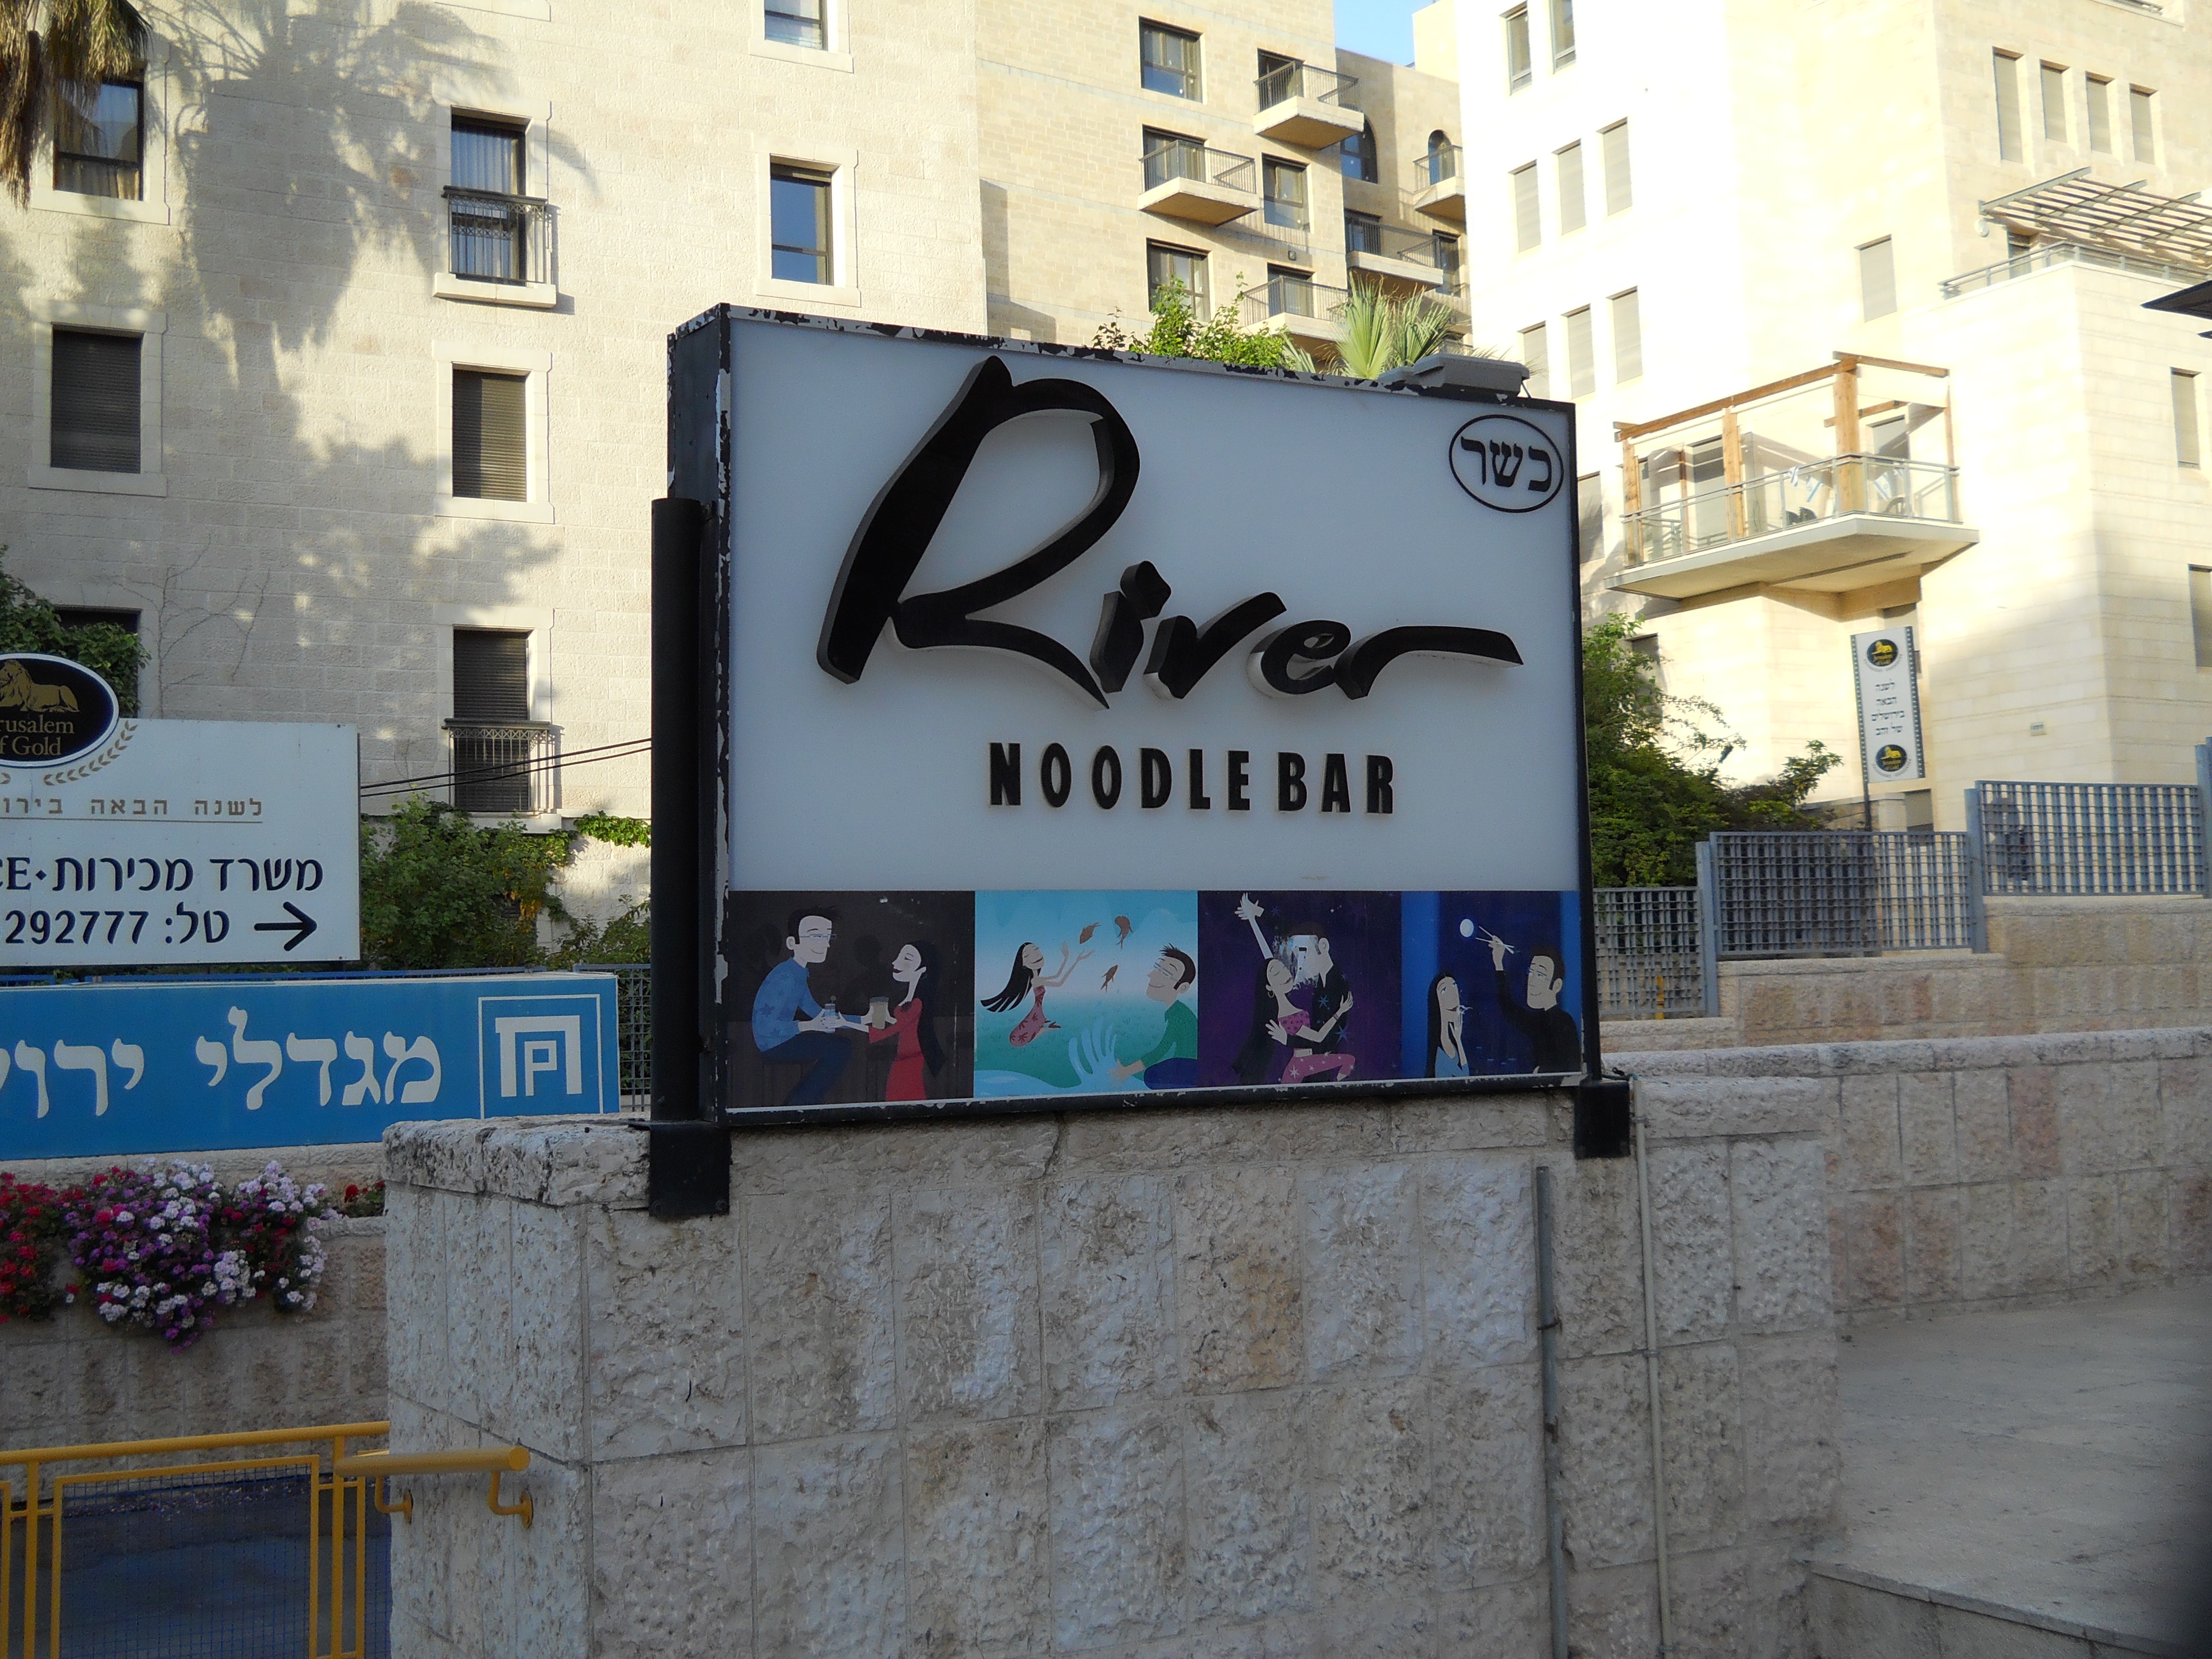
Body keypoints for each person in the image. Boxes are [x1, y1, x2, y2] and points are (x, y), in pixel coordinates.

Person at [751, 909, 864, 1105]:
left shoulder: (799, 973)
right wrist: (809, 1026)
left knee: (840, 1047)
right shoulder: (786, 976)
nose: (826, 944)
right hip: (772, 1043)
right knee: (839, 1049)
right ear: (792, 943)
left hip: (783, 1038)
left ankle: (800, 1103)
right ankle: (798, 1104)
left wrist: (862, 1020)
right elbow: (764, 1027)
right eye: (816, 936)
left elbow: (816, 1011)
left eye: (828, 937)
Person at [1488, 929, 1582, 1073]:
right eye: (1531, 972)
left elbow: (1570, 1067)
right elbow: (1509, 1007)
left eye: (1540, 975)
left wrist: (1541, 1072)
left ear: (1557, 986)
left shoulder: (1564, 1022)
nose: (1531, 982)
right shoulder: (1538, 1021)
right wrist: (1499, 964)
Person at [867, 940, 946, 1102]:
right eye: (899, 957)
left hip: (912, 1058)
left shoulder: (917, 1003)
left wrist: (846, 1024)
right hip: (904, 1057)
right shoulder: (908, 1000)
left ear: (922, 970)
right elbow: (900, 1025)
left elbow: (891, 1031)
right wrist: (878, 1018)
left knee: (905, 1097)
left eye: (906, 959)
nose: (895, 962)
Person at [1110, 946, 1198, 1089]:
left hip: (1188, 1075)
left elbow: (1160, 1052)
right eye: (1157, 968)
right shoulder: (1178, 1011)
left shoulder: (1180, 1016)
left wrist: (1126, 1072)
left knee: (1152, 1076)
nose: (1152, 975)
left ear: (1183, 987)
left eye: (1165, 973)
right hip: (1187, 1073)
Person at [980, 938, 1092, 1046]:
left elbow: (1057, 976)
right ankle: (1045, 1028)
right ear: (1023, 963)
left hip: (1038, 1013)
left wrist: (1068, 959)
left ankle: (1045, 1028)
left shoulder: (1037, 979)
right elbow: (1059, 982)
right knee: (1017, 1039)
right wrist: (1074, 961)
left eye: (1037, 950)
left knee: (1021, 1037)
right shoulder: (1036, 980)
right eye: (1028, 955)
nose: (1036, 955)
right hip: (1037, 1014)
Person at [1427, 972, 1470, 1078]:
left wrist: (1458, 1040)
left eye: (1454, 985)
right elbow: (1465, 1076)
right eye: (1444, 990)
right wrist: (1458, 1041)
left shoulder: (1450, 1042)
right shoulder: (1441, 1053)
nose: (1454, 995)